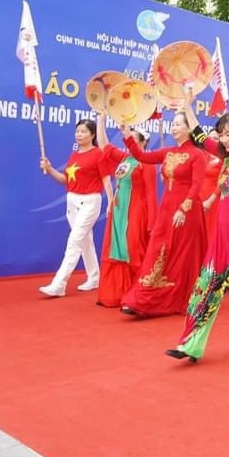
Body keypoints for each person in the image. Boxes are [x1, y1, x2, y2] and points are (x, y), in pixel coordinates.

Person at [166, 100, 229, 362]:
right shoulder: (225, 159)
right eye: (221, 134)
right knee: (206, 286)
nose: (224, 139)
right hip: (222, 236)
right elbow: (200, 135)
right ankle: (190, 344)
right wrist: (188, 105)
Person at [119, 111, 208, 317]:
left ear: (189, 128)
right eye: (173, 124)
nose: (173, 127)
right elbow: (142, 156)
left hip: (186, 210)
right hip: (167, 208)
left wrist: (184, 209)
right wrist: (127, 135)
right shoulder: (168, 152)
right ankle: (144, 297)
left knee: (181, 254)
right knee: (158, 248)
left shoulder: (197, 154)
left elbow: (197, 184)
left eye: (178, 124)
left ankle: (177, 298)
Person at [39, 119, 111, 297]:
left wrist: (111, 201)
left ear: (92, 135)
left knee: (74, 241)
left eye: (83, 131)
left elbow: (106, 180)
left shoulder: (98, 154)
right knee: (85, 241)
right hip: (72, 201)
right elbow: (65, 180)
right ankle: (94, 277)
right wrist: (50, 169)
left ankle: (59, 284)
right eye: (77, 131)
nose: (79, 134)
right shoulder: (74, 155)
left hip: (90, 201)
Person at [94, 114, 157, 308]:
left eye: (133, 138)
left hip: (136, 211)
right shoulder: (125, 158)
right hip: (119, 209)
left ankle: (134, 295)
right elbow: (104, 145)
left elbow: (151, 194)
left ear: (143, 142)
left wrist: (152, 222)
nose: (128, 140)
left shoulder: (146, 163)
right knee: (117, 248)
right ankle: (115, 293)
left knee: (132, 249)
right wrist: (100, 120)